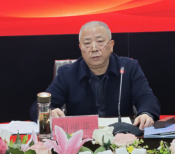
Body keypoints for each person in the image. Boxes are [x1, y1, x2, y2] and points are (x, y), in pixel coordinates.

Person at [29, 21, 161, 129]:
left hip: (121, 136)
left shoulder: (129, 68)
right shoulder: (67, 73)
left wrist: (146, 113)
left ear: (111, 45)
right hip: (81, 139)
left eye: (100, 41)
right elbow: (37, 107)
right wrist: (48, 113)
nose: (94, 48)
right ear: (81, 48)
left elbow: (147, 98)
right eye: (87, 43)